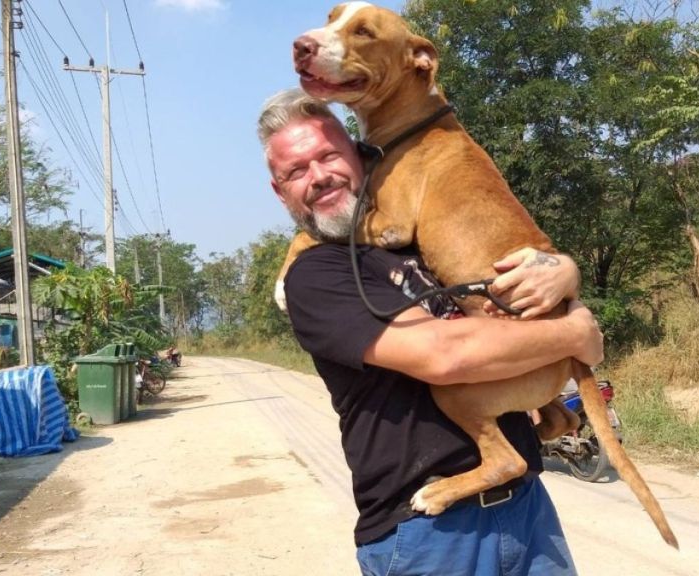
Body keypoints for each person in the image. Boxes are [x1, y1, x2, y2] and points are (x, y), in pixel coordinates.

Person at [258, 88, 603, 576]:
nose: (318, 177)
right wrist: (575, 334)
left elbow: (512, 265)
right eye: (296, 171)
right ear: (280, 190)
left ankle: (553, 424)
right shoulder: (316, 275)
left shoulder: (412, 236)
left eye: (328, 155)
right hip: (427, 537)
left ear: (359, 155)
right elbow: (445, 354)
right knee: (453, 383)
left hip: (526, 506)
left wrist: (564, 270)